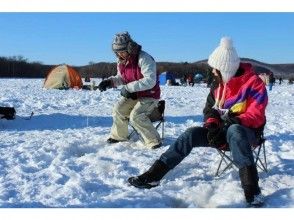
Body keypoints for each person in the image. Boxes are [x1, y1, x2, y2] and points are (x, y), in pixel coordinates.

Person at [128, 37, 268, 207]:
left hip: (247, 134)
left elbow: (257, 114)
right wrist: (212, 125)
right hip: (221, 132)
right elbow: (209, 109)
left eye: (215, 69)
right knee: (191, 134)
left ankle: (253, 192)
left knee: (235, 130)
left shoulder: (254, 84)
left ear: (226, 70)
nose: (213, 72)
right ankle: (152, 176)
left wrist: (234, 120)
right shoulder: (217, 85)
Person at [98, 31, 161, 149]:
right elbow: (122, 78)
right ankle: (119, 136)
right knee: (118, 109)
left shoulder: (144, 58)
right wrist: (110, 82)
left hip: (150, 95)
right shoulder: (121, 61)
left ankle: (154, 141)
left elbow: (150, 80)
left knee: (136, 116)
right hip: (133, 95)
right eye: (117, 52)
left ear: (129, 48)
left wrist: (128, 87)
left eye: (122, 51)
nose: (120, 54)